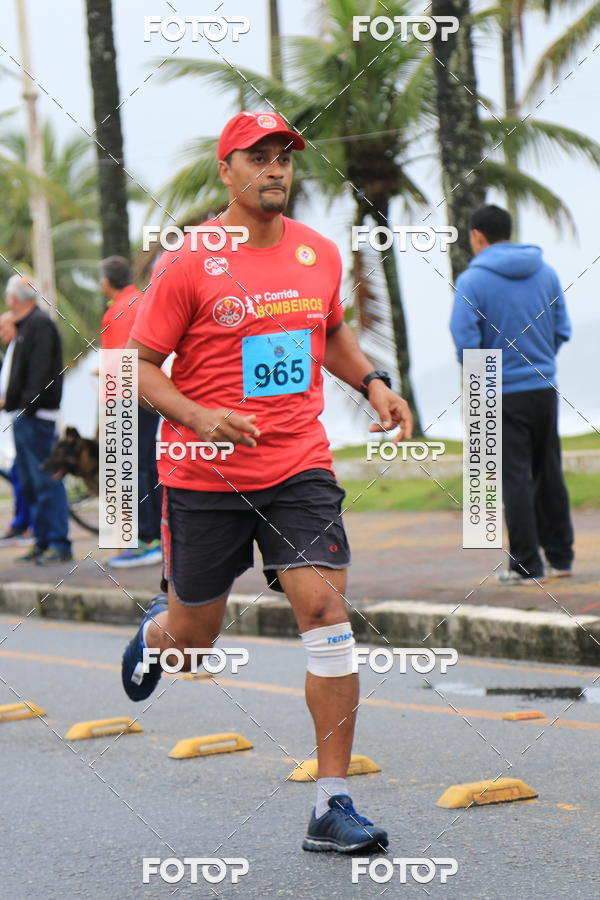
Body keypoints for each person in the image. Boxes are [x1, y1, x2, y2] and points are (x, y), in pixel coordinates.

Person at [121, 110, 413, 854]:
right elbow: (141, 367)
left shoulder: (317, 255)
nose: (276, 167)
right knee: (195, 641)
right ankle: (159, 633)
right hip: (203, 477)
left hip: (298, 466)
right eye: (258, 156)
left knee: (325, 613)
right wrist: (199, 415)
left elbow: (332, 330)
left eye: (284, 155)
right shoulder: (189, 260)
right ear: (227, 171)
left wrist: (373, 383)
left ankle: (331, 802)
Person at [450, 204, 574, 583]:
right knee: (549, 471)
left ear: (477, 236)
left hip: (498, 390)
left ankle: (526, 565)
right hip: (543, 386)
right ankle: (561, 558)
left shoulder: (473, 281)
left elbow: (465, 339)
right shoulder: (547, 273)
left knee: (514, 477)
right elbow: (561, 328)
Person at [2, 276, 72, 564]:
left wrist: (25, 407)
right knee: (31, 483)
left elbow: (42, 374)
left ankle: (58, 543)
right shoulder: (25, 327)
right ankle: (43, 541)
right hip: (25, 415)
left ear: (13, 299)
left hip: (36, 418)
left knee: (45, 481)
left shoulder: (39, 326)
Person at [99, 256, 162, 568]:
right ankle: (155, 537)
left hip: (126, 397)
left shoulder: (116, 311)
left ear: (106, 283)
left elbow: (117, 361)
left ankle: (146, 539)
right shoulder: (143, 300)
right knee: (148, 466)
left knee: (134, 469)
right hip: (150, 394)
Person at [0, 312, 33, 544]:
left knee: (24, 474)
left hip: (20, 417)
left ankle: (27, 523)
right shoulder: (10, 351)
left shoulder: (22, 349)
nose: (1, 334)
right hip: (11, 420)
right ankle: (20, 521)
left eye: (4, 328)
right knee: (17, 473)